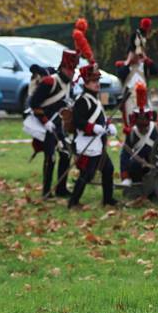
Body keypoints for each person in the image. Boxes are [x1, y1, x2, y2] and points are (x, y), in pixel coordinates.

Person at [68, 63, 118, 208]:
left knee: (108, 169)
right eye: (93, 81)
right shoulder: (82, 101)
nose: (97, 84)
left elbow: (101, 118)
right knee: (86, 174)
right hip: (86, 143)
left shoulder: (97, 99)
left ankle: (108, 200)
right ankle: (73, 202)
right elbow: (78, 122)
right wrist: (93, 128)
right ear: (86, 83)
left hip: (98, 143)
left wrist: (108, 127)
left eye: (98, 81)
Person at [29, 50, 78, 198]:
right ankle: (46, 191)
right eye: (69, 69)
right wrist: (45, 121)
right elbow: (34, 103)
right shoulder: (50, 82)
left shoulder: (69, 85)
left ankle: (61, 189)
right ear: (62, 67)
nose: (71, 73)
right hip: (47, 125)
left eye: (73, 70)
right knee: (50, 158)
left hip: (59, 126)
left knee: (65, 154)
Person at [117, 18, 158, 125]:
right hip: (130, 98)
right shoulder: (124, 66)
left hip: (143, 98)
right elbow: (120, 75)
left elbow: (156, 71)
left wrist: (146, 59)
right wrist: (128, 62)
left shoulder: (144, 64)